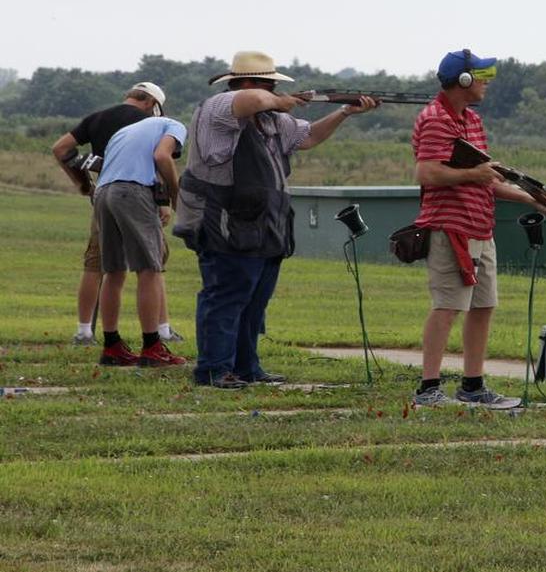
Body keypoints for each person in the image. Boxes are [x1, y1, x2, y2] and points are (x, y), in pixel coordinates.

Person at [173, 51, 377, 389]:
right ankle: (213, 370)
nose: (272, 90)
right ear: (248, 83)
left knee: (254, 301)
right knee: (225, 295)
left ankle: (246, 367)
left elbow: (308, 136)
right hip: (222, 219)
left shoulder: (269, 119)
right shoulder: (219, 105)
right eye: (269, 83)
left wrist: (343, 112)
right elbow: (252, 98)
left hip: (263, 223)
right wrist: (280, 100)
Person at [410, 49, 546, 409]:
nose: (486, 84)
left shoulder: (472, 122)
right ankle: (428, 390)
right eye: (481, 77)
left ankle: (473, 386)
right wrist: (474, 174)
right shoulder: (436, 119)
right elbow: (427, 173)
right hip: (452, 226)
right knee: (447, 306)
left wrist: (531, 199)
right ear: (463, 81)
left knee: (483, 306)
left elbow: (485, 182)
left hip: (480, 224)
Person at [51, 83, 184, 347]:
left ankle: (85, 331)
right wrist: (166, 201)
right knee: (152, 264)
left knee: (100, 264)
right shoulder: (153, 123)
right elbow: (159, 161)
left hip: (104, 193)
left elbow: (61, 149)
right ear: (152, 104)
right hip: (139, 196)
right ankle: (161, 330)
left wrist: (83, 184)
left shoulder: (97, 117)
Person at [93, 116, 190, 367]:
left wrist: (161, 201)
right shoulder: (175, 126)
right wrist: (175, 191)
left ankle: (112, 346)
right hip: (132, 192)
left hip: (103, 192)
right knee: (150, 269)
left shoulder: (123, 131)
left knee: (113, 271)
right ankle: (152, 347)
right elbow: (162, 157)